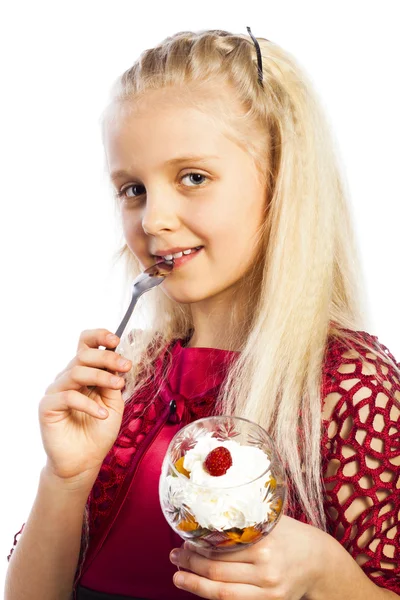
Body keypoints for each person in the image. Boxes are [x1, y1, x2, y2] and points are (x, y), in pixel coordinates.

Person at [5, 27, 400, 600]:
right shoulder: (128, 380)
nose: (153, 219)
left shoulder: (351, 388)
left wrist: (326, 574)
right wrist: (65, 479)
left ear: (282, 186)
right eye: (133, 188)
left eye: (193, 177)